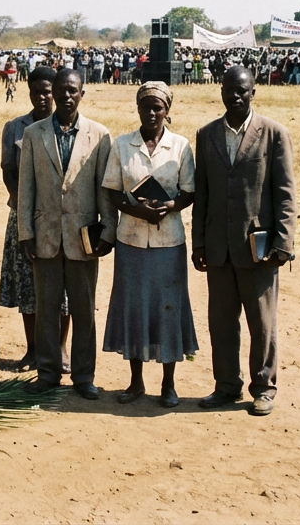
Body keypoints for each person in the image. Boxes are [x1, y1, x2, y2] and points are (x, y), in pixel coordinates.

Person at [191, 67, 297, 416]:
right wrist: (200, 244)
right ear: (220, 91)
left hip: (259, 249)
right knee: (221, 322)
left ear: (254, 92)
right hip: (218, 248)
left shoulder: (274, 134)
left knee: (262, 323)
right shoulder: (206, 136)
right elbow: (202, 194)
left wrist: (283, 243)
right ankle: (226, 386)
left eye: (242, 91)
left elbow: (285, 194)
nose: (234, 96)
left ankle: (263, 387)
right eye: (228, 90)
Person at [17, 69, 117, 399]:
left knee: (84, 308)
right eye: (61, 89)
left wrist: (108, 232)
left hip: (84, 238)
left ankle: (84, 376)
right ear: (54, 92)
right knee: (47, 307)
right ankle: (47, 372)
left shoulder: (99, 135)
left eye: (73, 90)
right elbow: (25, 188)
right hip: (45, 236)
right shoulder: (33, 134)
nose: (66, 95)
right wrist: (26, 232)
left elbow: (105, 188)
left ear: (82, 93)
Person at [101, 82, 199, 408]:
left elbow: (189, 191)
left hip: (168, 242)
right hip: (130, 240)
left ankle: (169, 385)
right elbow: (113, 191)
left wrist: (170, 207)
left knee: (167, 311)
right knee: (135, 310)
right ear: (138, 110)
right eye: (147, 107)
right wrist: (136, 210)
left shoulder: (181, 147)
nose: (152, 113)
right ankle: (136, 382)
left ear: (168, 111)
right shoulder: (121, 145)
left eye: (158, 108)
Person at [0, 67, 70, 371]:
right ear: (28, 93)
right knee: (28, 285)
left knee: (63, 287)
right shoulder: (15, 128)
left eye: (48, 91)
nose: (43, 97)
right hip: (23, 218)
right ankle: (33, 350)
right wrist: (25, 207)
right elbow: (8, 171)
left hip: (60, 219)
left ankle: (61, 350)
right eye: (37, 92)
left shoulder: (66, 128)